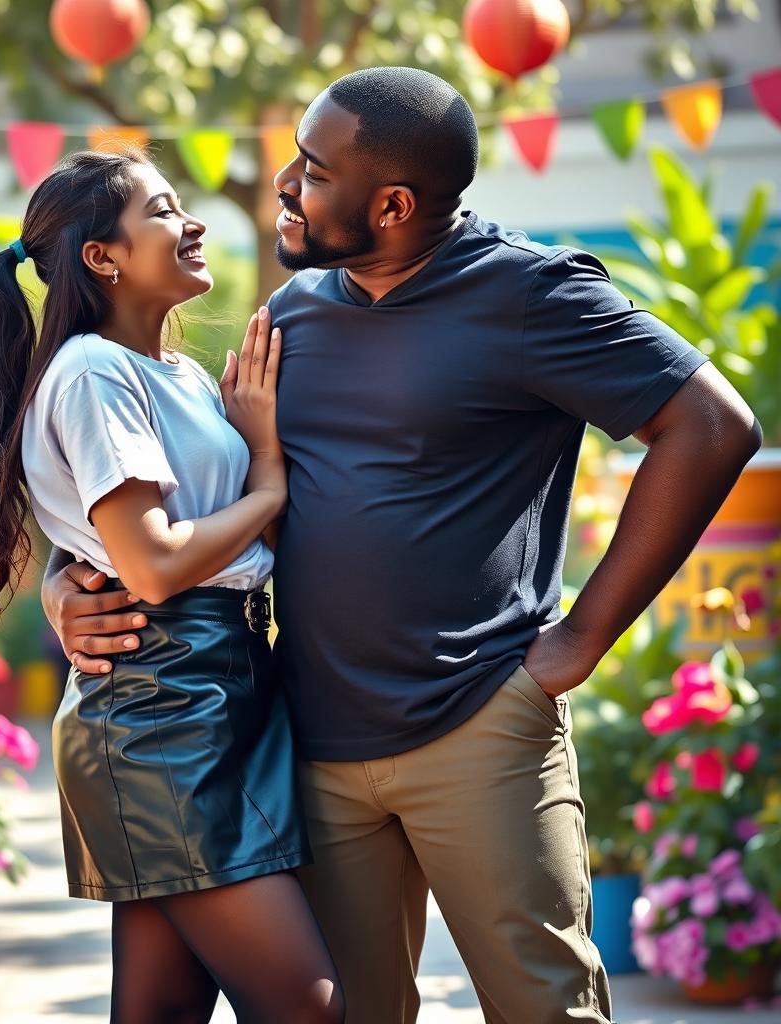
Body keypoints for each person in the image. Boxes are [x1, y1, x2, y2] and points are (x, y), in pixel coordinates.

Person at [41, 69, 762, 1024]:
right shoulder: (289, 317)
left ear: (391, 203)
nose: (286, 183)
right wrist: (64, 586)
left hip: (480, 726)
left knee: (546, 1010)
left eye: (314, 169)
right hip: (310, 746)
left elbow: (713, 426)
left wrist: (580, 642)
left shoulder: (531, 295)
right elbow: (159, 494)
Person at [0, 149, 344, 1024]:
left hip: (224, 683)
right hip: (161, 704)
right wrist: (268, 476)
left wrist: (260, 458)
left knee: (162, 1010)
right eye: (164, 211)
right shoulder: (94, 371)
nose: (192, 222)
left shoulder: (185, 377)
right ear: (103, 256)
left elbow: (156, 540)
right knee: (306, 1005)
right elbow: (154, 561)